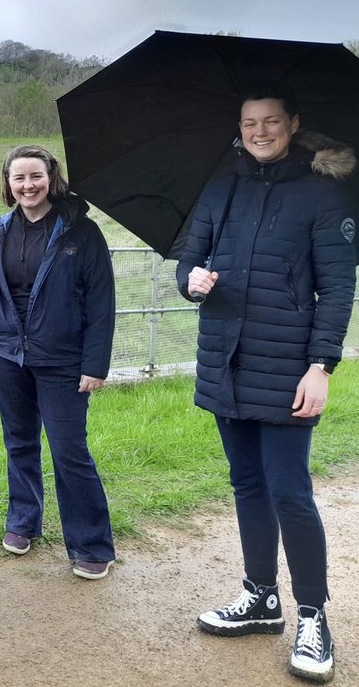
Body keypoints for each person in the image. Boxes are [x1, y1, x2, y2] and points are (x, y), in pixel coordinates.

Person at [177, 91, 355, 684]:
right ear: (240, 126)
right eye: (250, 122)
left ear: (293, 124)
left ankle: (312, 615)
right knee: (247, 484)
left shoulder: (324, 193)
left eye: (272, 121)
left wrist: (320, 366)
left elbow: (337, 288)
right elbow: (187, 259)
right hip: (225, 359)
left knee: (289, 492)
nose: (260, 131)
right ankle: (261, 596)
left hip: (288, 366)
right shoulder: (220, 187)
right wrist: (191, 281)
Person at [0, 144, 116, 580]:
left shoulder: (81, 233)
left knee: (69, 450)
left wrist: (95, 364)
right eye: (19, 178)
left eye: (36, 176)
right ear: (8, 183)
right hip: (7, 355)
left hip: (63, 359)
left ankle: (91, 544)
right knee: (19, 442)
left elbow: (102, 302)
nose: (28, 185)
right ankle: (23, 521)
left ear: (51, 178)